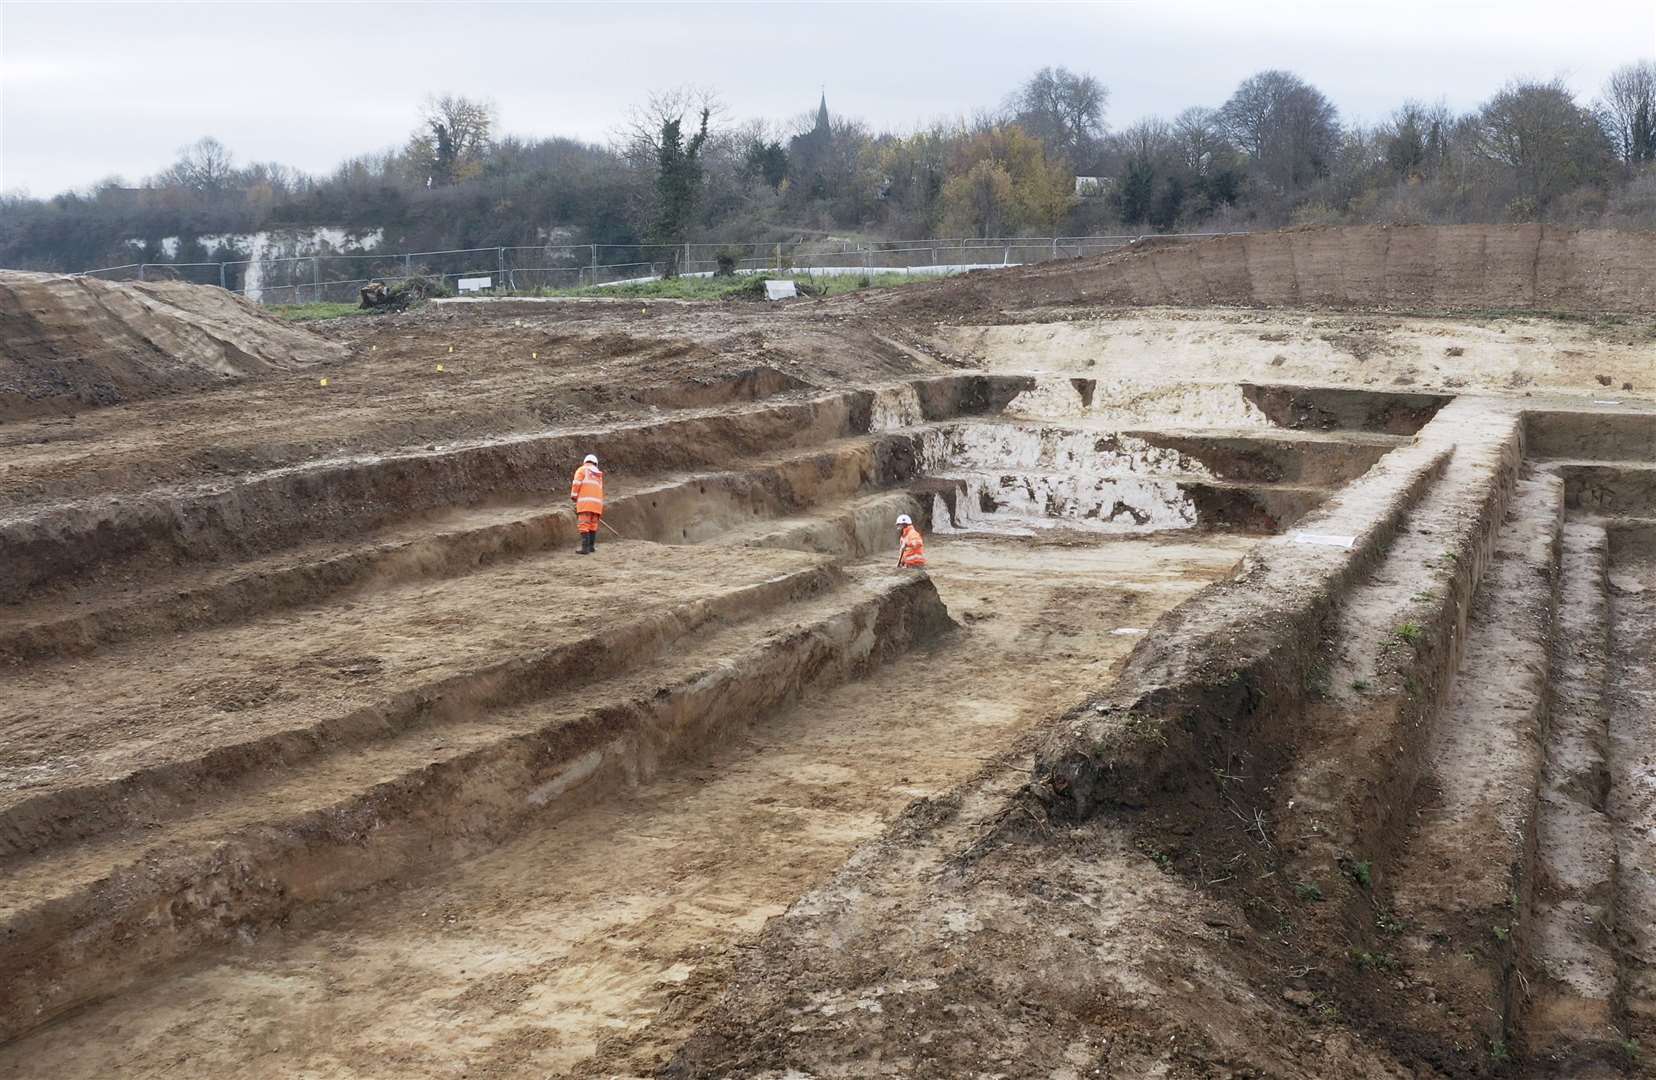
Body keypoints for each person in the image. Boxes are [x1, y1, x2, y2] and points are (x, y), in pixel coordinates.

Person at [571, 453, 605, 554]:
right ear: (596, 463)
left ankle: (585, 548)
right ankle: (591, 547)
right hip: (597, 505)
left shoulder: (582, 470)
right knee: (593, 525)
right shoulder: (599, 475)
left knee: (584, 525)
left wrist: (574, 496)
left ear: (585, 462)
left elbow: (576, 483)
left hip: (585, 503)